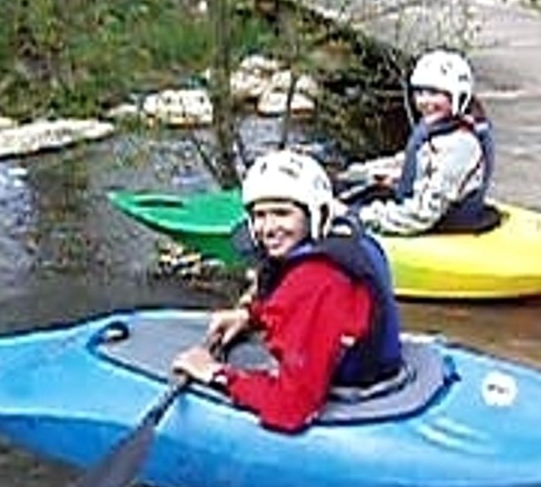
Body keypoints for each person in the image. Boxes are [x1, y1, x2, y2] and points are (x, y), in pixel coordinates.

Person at [172, 149, 403, 433]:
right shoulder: (348, 236)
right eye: (259, 215)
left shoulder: (314, 281)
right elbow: (304, 303)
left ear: (313, 213)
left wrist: (215, 373)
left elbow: (290, 409)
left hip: (356, 385)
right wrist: (248, 315)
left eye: (282, 213)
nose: (267, 228)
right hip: (375, 362)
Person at [355, 48, 496, 235]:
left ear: (457, 95)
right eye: (419, 92)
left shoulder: (460, 144)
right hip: (428, 211)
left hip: (440, 224)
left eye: (434, 93)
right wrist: (364, 172)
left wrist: (360, 216)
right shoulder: (442, 125)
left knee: (350, 211)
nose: (423, 101)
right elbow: (420, 160)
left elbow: (421, 214)